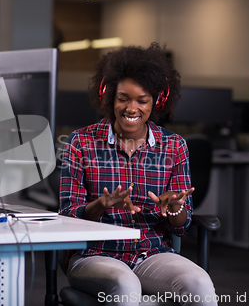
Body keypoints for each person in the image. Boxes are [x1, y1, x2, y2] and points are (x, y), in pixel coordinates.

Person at [59, 43, 217, 306]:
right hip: (95, 255)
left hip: (152, 253)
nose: (132, 108)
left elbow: (182, 224)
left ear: (156, 102)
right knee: (126, 286)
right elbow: (67, 216)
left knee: (199, 285)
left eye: (142, 100)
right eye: (123, 98)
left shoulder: (174, 146)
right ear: (109, 96)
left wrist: (176, 209)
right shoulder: (81, 142)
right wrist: (99, 206)